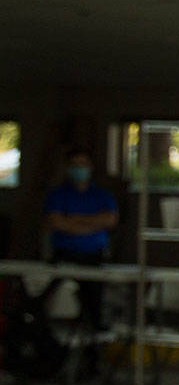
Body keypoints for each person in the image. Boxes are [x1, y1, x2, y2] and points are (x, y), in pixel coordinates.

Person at [41, 145, 118, 342]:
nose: (79, 169)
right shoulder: (58, 195)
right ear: (67, 167)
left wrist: (73, 221)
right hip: (64, 254)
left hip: (94, 256)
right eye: (74, 165)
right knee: (45, 296)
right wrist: (92, 222)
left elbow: (109, 220)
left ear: (90, 167)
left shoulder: (102, 195)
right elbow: (56, 222)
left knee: (93, 304)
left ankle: (92, 354)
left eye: (83, 164)